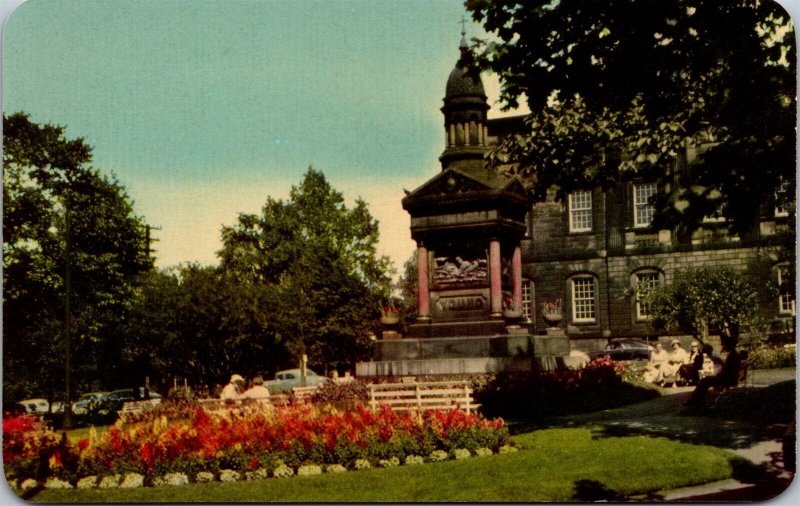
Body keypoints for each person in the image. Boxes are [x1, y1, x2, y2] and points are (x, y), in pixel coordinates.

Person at [686, 341, 741, 407]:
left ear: (729, 346)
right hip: (728, 378)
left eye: (725, 345)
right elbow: (726, 369)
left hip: (727, 379)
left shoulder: (733, 356)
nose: (723, 347)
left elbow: (727, 370)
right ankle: (697, 400)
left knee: (705, 380)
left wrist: (718, 374)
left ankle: (697, 400)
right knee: (705, 380)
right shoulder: (733, 355)